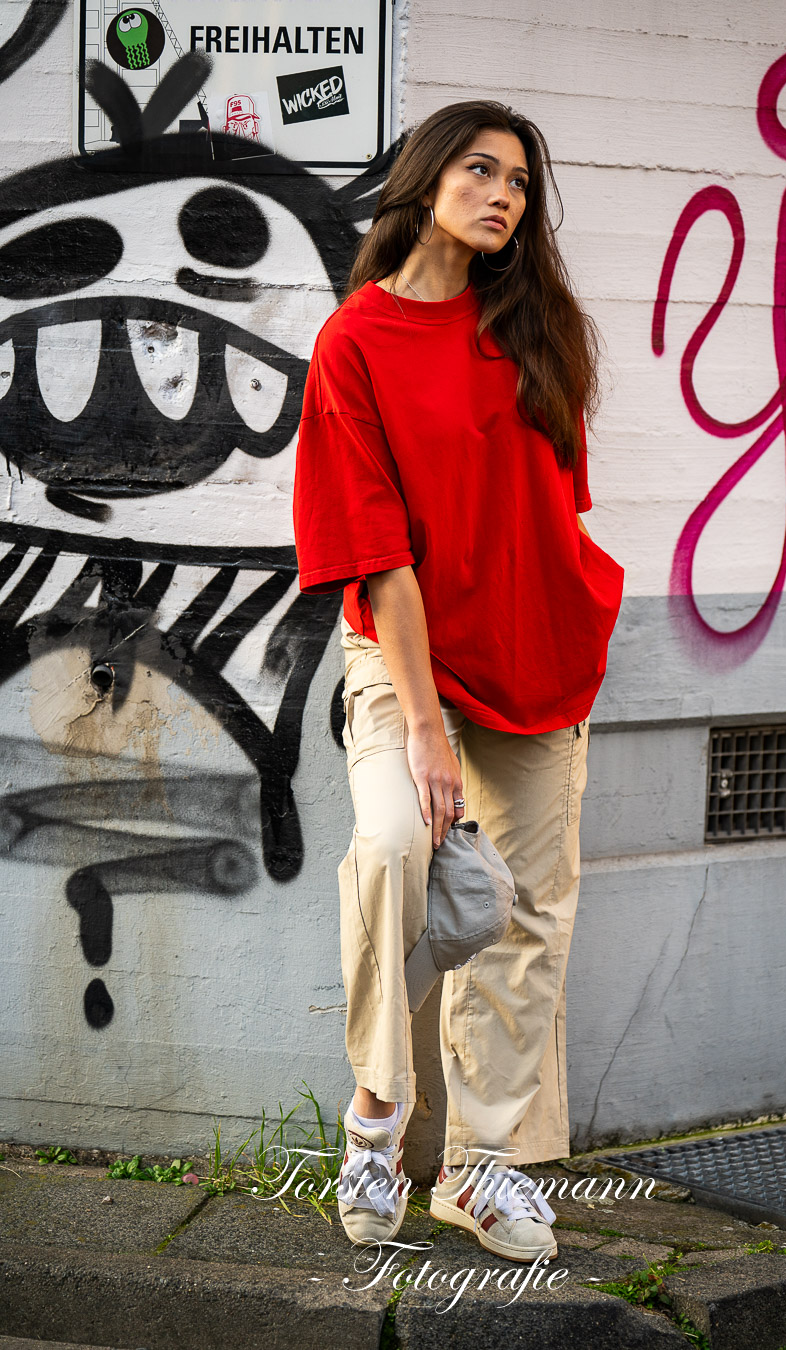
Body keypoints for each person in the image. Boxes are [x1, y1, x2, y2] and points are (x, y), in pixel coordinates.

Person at [293, 100, 624, 1262]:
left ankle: (482, 1166)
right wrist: (427, 730)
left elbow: (555, 501)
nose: (503, 195)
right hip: (406, 661)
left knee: (528, 914)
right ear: (425, 181)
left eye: (522, 183)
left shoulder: (537, 324)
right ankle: (379, 1115)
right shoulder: (356, 343)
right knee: (390, 845)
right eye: (480, 170)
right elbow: (375, 550)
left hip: (540, 651)